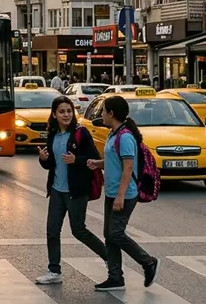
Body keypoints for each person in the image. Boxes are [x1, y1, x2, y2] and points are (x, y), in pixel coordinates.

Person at [88, 95, 158, 292]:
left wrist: (120, 195)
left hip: (124, 195)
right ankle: (115, 277)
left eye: (103, 111)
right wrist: (98, 164)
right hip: (112, 192)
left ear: (111, 113)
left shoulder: (125, 137)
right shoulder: (113, 134)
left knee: (116, 233)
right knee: (109, 236)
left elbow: (128, 168)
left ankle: (148, 262)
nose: (101, 114)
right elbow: (115, 162)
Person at [34, 95, 107, 285]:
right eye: (61, 112)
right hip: (57, 190)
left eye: (69, 111)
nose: (66, 115)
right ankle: (54, 270)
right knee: (52, 230)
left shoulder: (80, 134)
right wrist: (43, 159)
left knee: (79, 230)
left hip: (76, 191)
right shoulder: (52, 134)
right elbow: (52, 164)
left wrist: (77, 161)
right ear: (54, 114)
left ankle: (110, 258)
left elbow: (95, 160)